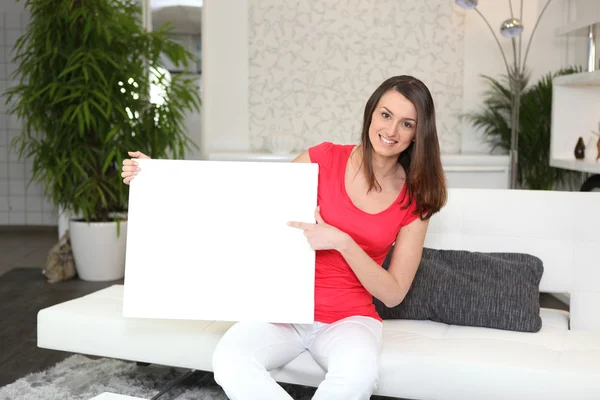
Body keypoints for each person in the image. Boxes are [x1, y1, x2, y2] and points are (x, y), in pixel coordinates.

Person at [121, 75, 447, 399]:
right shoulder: (324, 158)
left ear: (419, 134)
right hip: (285, 310)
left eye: (406, 123)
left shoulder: (417, 199)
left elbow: (392, 294)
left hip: (349, 319)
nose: (391, 131)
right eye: (386, 115)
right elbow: (249, 202)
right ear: (371, 113)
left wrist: (342, 242)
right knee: (230, 360)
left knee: (356, 378)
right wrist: (162, 177)